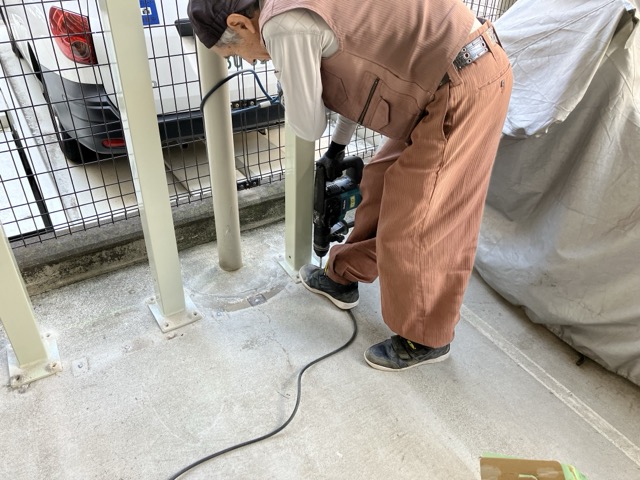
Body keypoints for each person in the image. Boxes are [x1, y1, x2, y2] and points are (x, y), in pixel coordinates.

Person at [188, 0, 513, 371]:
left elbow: (307, 124)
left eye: (234, 53)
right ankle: (344, 277)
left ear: (240, 24)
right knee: (379, 181)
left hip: (464, 82)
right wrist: (337, 148)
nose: (248, 61)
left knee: (420, 216)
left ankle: (426, 337)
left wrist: (287, 78)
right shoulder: (293, 13)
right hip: (439, 79)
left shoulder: (283, 24)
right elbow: (360, 79)